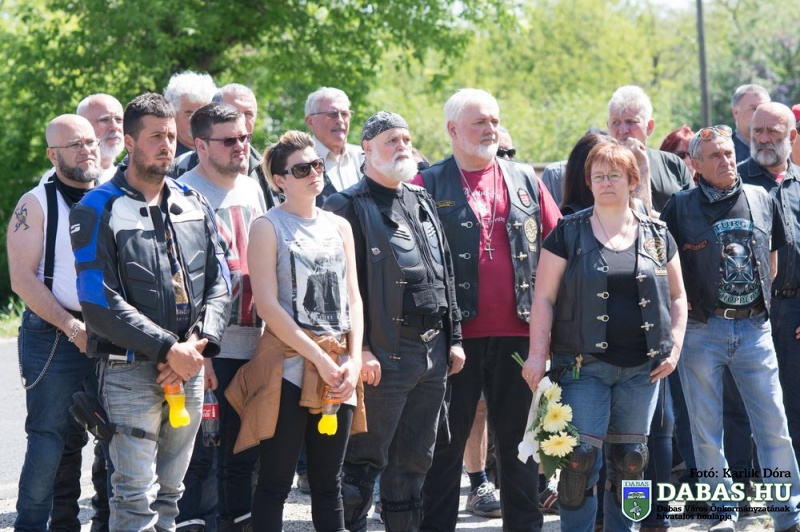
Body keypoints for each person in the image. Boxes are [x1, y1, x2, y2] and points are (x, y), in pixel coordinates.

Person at [69, 92, 231, 531]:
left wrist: (195, 346)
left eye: (172, 136)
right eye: (156, 136)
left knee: (171, 495)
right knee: (134, 497)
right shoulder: (96, 207)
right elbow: (97, 301)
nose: (167, 146)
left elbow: (222, 282)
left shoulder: (194, 202)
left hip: (189, 367)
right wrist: (167, 349)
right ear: (129, 142)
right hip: (129, 371)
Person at [416, 88, 561, 532]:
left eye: (494, 120)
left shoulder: (524, 178)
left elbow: (558, 247)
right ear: (452, 129)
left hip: (520, 334)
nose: (490, 129)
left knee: (521, 447)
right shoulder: (426, 184)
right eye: (479, 122)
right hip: (453, 341)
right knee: (444, 447)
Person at [523, 140, 687, 532]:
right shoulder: (567, 232)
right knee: (578, 461)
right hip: (583, 367)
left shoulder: (657, 234)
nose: (606, 182)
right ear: (589, 182)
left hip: (643, 370)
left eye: (614, 175)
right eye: (598, 176)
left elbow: (679, 297)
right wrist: (536, 353)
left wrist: (676, 346)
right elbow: (543, 298)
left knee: (632, 461)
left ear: (632, 181)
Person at [323, 111, 464, 531]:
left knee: (414, 462)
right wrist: (361, 349)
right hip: (383, 351)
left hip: (432, 350)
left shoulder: (421, 199)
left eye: (405, 139)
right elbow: (338, 290)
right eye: (391, 140)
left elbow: (446, 273)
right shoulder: (345, 206)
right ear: (367, 148)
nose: (402, 146)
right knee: (361, 463)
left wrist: (455, 338)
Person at [661, 124, 800, 532]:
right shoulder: (679, 207)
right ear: (695, 165)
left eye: (728, 153)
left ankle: (789, 514)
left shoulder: (760, 197)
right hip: (702, 331)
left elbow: (771, 260)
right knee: (706, 430)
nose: (726, 160)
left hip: (755, 329)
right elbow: (666, 267)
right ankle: (720, 515)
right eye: (715, 156)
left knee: (774, 425)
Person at [240, 129, 363, 531]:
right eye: (301, 169)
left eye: (317, 164)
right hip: (289, 367)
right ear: (279, 180)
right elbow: (267, 306)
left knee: (330, 483)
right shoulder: (267, 226)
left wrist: (354, 361)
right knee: (275, 481)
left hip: (338, 367)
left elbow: (354, 298)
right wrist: (320, 359)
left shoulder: (339, 226)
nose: (313, 173)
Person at [9, 114, 103, 532]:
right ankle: (31, 525)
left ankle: (105, 522)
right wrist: (71, 326)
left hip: (111, 331)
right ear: (53, 155)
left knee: (118, 435)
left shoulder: (113, 193)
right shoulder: (35, 203)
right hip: (52, 334)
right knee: (48, 439)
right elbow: (21, 279)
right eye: (75, 145)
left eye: (90, 142)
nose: (87, 151)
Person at [177, 102, 268, 531]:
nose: (241, 146)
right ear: (200, 145)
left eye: (245, 137)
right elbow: (179, 280)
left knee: (244, 453)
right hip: (208, 347)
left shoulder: (251, 187)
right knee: (199, 456)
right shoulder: (180, 193)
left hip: (256, 341)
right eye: (229, 140)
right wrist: (201, 352)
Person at [738, 102, 800, 464]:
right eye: (756, 131)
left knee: (794, 404)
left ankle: (792, 484)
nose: (762, 139)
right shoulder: (735, 184)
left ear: (791, 136)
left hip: (794, 314)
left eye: (771, 132)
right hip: (748, 312)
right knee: (746, 405)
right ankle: (747, 483)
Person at [606, 85, 693, 212]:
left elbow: (693, 216)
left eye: (631, 122)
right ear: (608, 126)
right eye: (616, 122)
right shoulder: (598, 168)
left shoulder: (673, 164)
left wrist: (659, 220)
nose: (623, 130)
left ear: (649, 126)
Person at [305, 87, 363, 200]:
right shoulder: (299, 163)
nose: (340, 120)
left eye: (344, 114)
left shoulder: (364, 157)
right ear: (310, 122)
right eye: (332, 114)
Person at [164, 70, 217, 157]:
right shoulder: (163, 156)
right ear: (173, 115)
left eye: (204, 113)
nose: (198, 121)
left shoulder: (222, 151)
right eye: (190, 114)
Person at [730, 84, 771, 164]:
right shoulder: (725, 153)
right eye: (753, 108)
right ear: (736, 112)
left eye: (764, 108)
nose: (760, 114)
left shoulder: (781, 148)